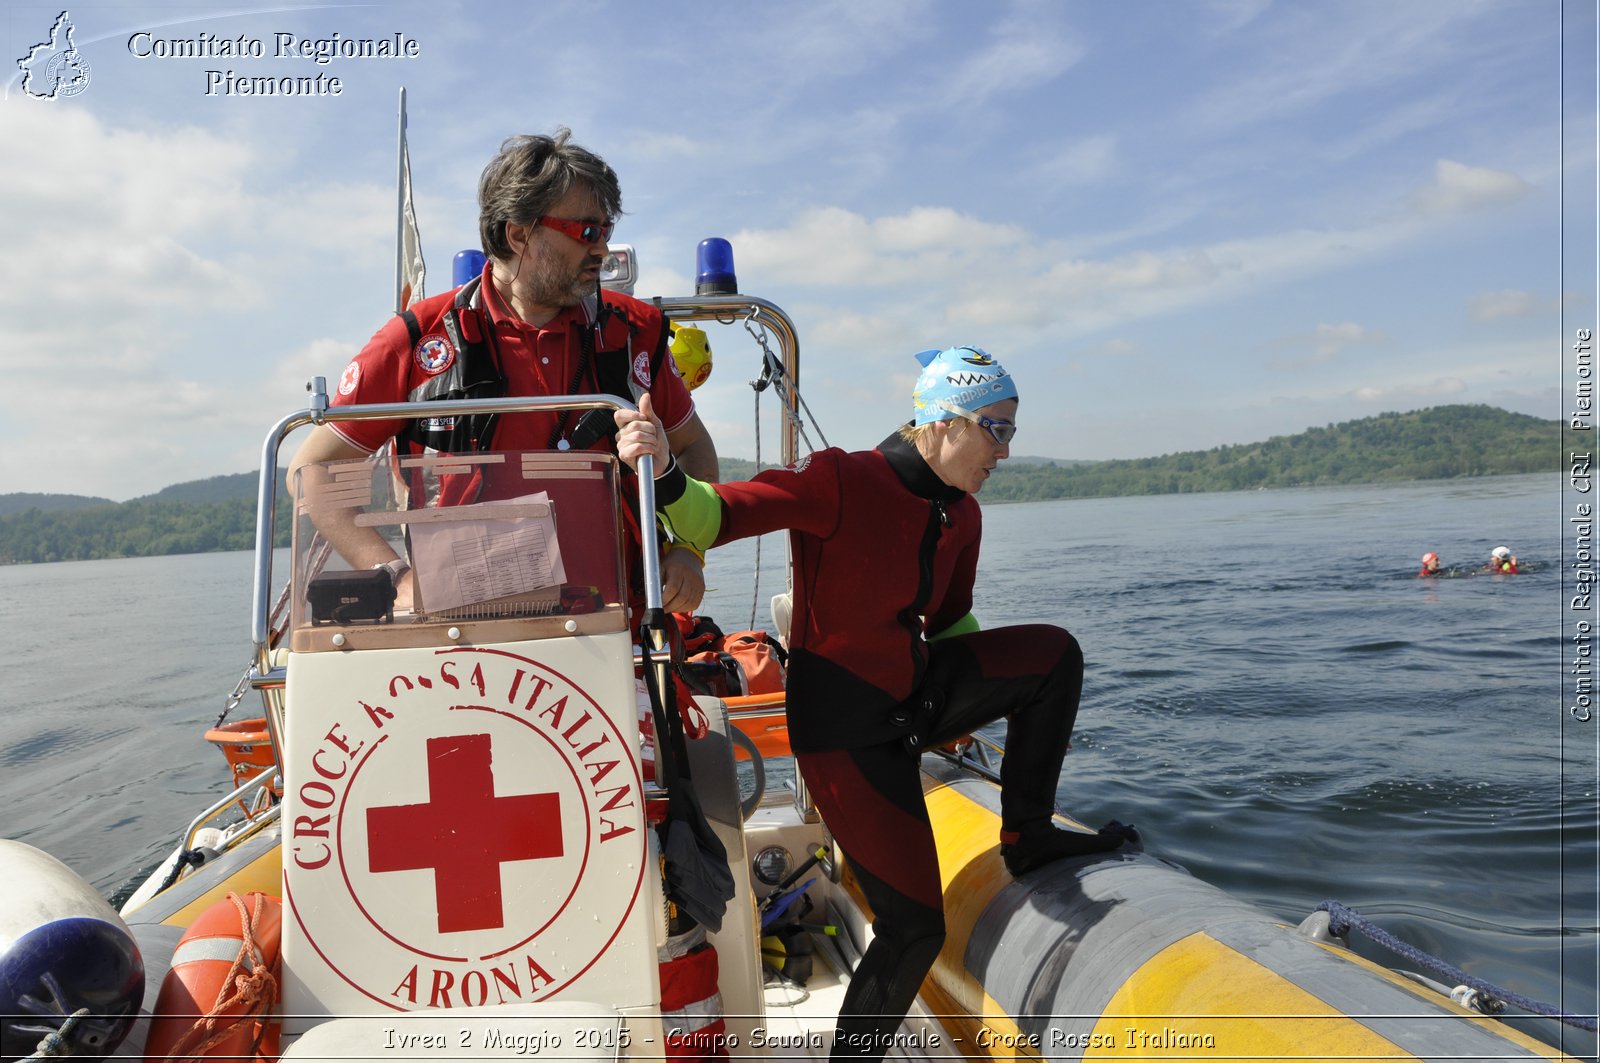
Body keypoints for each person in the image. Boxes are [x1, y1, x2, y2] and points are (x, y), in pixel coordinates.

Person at [616, 345, 1137, 1061]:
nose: (1006, 451)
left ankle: (1028, 834)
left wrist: (980, 709)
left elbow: (953, 626)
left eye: (1012, 431)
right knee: (915, 928)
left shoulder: (964, 514)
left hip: (916, 698)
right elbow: (718, 514)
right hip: (845, 735)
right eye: (998, 429)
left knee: (1054, 654)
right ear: (945, 421)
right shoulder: (843, 478)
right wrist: (664, 466)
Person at [287, 128, 717, 612]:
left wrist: (688, 549)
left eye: (607, 232)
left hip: (620, 631)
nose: (601, 250)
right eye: (587, 232)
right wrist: (395, 576)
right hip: (469, 638)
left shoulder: (637, 332)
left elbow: (695, 446)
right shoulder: (418, 341)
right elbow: (314, 469)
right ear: (519, 234)